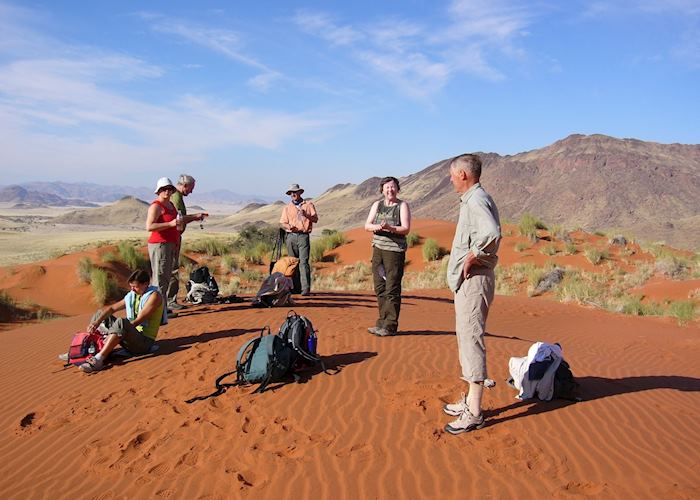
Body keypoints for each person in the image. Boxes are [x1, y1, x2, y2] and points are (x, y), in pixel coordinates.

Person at [442, 154, 501, 435]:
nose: (451, 179)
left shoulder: (476, 200)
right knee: (467, 338)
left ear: (463, 175)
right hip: (469, 281)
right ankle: (469, 399)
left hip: (474, 280)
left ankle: (475, 412)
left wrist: (472, 257)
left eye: (452, 175)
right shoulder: (472, 200)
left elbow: (491, 232)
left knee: (471, 339)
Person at [76, 269, 167, 373]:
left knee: (122, 322)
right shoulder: (133, 295)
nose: (132, 290)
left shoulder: (154, 296)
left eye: (135, 287)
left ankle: (99, 359)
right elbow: (111, 309)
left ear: (145, 284)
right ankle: (86, 348)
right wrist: (96, 323)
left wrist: (112, 333)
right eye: (131, 286)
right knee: (99, 314)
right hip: (131, 337)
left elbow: (138, 320)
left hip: (144, 343)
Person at [364, 176, 411, 336]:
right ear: (382, 190)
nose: (390, 190)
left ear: (397, 189)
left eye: (392, 187)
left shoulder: (402, 205)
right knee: (379, 286)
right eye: (387, 187)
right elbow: (367, 225)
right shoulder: (377, 205)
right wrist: (378, 226)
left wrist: (390, 228)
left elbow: (406, 228)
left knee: (392, 287)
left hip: (394, 251)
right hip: (378, 248)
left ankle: (390, 325)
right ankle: (382, 322)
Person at [167, 174, 207, 310]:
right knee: (172, 269)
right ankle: (169, 301)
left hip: (174, 237)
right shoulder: (176, 197)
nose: (191, 191)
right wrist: (195, 217)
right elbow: (180, 218)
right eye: (191, 188)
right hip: (172, 238)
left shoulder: (176, 196)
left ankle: (168, 300)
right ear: (185, 185)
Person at [279, 183, 318, 296]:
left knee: (303, 262)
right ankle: (296, 288)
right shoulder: (287, 207)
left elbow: (315, 219)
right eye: (291, 193)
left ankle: (305, 289)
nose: (293, 194)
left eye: (295, 192)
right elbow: (283, 222)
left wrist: (306, 215)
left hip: (303, 236)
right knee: (293, 263)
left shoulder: (308, 205)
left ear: (300, 193)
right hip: (291, 236)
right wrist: (288, 227)